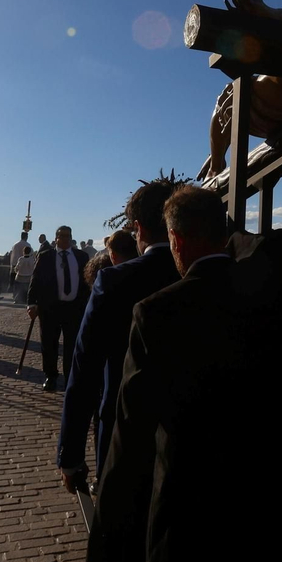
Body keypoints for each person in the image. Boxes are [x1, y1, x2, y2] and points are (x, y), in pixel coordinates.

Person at [87, 185, 282, 562]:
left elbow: (129, 438)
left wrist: (105, 550)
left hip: (187, 523)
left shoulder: (156, 314)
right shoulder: (278, 300)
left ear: (177, 239)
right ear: (223, 235)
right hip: (269, 519)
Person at [59, 181, 182, 501]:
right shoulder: (209, 274)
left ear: (138, 227)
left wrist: (70, 456)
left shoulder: (113, 281)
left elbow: (83, 371)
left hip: (126, 439)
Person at [27, 225, 87, 391]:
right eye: (62, 236)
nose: (65, 239)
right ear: (56, 238)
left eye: (68, 236)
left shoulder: (81, 257)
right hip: (50, 307)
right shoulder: (46, 256)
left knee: (72, 345)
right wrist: (32, 303)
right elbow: (36, 280)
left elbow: (87, 282)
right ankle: (50, 376)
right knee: (49, 343)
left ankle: (70, 378)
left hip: (74, 308)